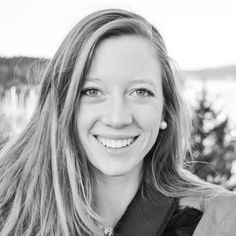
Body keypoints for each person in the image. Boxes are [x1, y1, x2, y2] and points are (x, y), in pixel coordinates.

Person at [0, 8, 235, 236]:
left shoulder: (221, 220)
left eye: (140, 92)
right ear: (62, 105)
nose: (117, 119)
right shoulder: (9, 209)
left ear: (165, 110)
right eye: (92, 91)